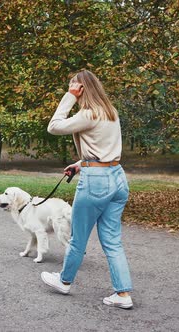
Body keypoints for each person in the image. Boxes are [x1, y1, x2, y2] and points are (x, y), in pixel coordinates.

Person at [40, 70, 134, 309]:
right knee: (112, 241)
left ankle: (64, 281)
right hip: (117, 177)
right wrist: (81, 164)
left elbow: (54, 126)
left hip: (97, 181)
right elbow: (103, 149)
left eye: (74, 86)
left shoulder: (89, 113)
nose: (72, 89)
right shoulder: (110, 112)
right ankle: (123, 294)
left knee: (78, 237)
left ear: (82, 89)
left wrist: (68, 97)